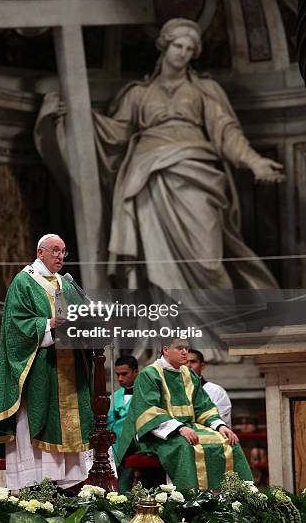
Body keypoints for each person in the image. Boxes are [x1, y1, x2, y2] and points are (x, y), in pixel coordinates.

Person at [35, 18, 285, 356]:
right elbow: (112, 134)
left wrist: (254, 161)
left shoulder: (204, 91)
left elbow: (227, 133)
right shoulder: (139, 95)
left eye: (189, 49)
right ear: (164, 47)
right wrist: (69, 116)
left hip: (197, 177)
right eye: (177, 46)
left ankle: (219, 340)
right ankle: (169, 344)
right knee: (155, 267)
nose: (182, 54)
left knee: (208, 261)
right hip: (148, 181)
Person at [0, 234, 93, 490]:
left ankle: (69, 484)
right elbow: (15, 327)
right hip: (39, 369)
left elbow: (83, 317)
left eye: (63, 251)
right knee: (38, 421)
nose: (60, 256)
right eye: (55, 251)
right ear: (40, 253)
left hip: (68, 370)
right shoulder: (23, 282)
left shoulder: (67, 285)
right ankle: (36, 486)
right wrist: (48, 325)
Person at [117, 338, 252, 490]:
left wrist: (220, 425)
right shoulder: (149, 374)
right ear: (166, 350)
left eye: (186, 348)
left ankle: (235, 496)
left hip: (188, 427)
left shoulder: (189, 374)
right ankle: (188, 498)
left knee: (229, 441)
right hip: (158, 433)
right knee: (186, 446)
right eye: (179, 348)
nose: (184, 352)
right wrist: (179, 428)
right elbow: (149, 411)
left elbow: (203, 406)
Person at [107, 355, 139, 491]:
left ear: (136, 372)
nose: (120, 379)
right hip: (115, 445)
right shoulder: (113, 397)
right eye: (117, 374)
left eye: (124, 374)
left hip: (137, 441)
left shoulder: (146, 393)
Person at [187, 348, 232, 427]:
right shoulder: (171, 389)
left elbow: (220, 420)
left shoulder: (216, 391)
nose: (188, 365)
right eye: (185, 362)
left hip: (208, 436)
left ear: (202, 366)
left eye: (193, 362)